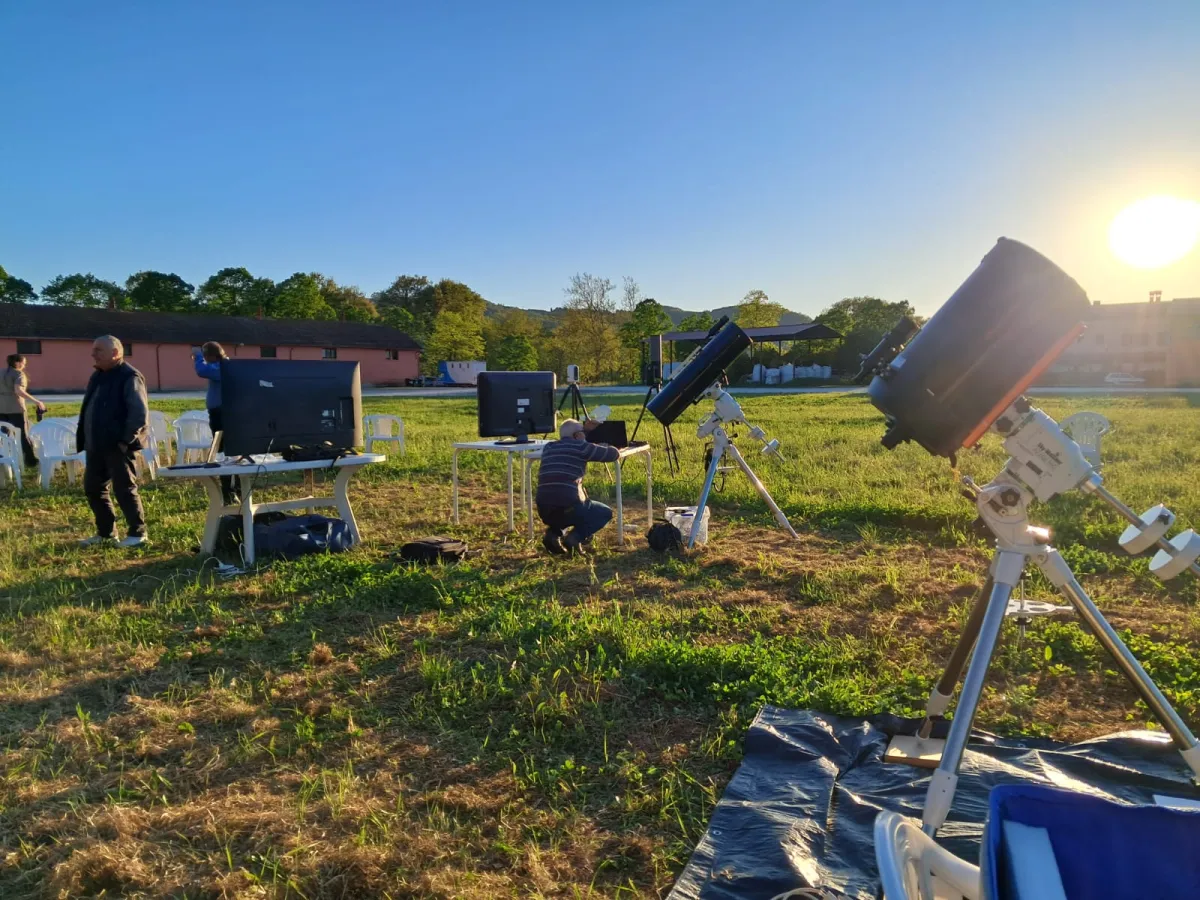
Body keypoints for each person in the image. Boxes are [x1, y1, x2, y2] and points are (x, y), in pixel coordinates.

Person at [77, 336, 150, 548]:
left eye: (99, 350)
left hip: (118, 445)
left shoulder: (129, 376)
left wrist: (125, 441)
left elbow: (138, 414)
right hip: (96, 444)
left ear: (116, 353)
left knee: (124, 489)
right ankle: (106, 533)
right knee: (94, 488)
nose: (93, 354)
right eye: (93, 350)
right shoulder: (98, 375)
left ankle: (138, 533)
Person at [535, 418, 620, 555]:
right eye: (583, 432)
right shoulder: (582, 447)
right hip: (569, 507)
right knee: (604, 513)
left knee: (563, 505)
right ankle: (574, 538)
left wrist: (585, 432)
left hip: (544, 509)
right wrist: (605, 445)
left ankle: (552, 534)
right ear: (578, 435)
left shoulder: (549, 447)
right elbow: (613, 454)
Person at [192, 341, 237, 504]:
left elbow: (201, 370)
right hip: (219, 414)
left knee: (225, 453)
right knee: (223, 452)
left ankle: (231, 491)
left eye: (206, 356)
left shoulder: (222, 368)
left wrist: (197, 356)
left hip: (222, 415)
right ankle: (230, 489)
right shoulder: (220, 366)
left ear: (212, 355)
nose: (204, 359)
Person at [0, 353, 46, 468]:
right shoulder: (19, 374)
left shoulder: (1, 372)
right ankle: (30, 460)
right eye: (23, 363)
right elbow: (19, 390)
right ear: (17, 363)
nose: (24, 365)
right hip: (16, 408)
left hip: (1, 408)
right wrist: (37, 401)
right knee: (23, 435)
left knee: (4, 435)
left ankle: (5, 459)